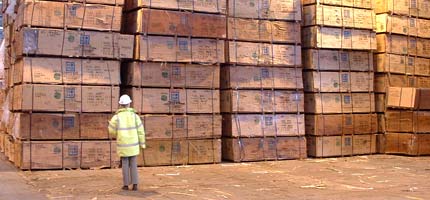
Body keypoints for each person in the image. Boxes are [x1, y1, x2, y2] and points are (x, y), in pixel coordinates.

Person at [108, 94, 145, 191]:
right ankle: (135, 184)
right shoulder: (135, 116)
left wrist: (117, 133)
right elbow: (141, 131)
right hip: (133, 146)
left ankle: (126, 185)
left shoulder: (117, 117)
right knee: (133, 163)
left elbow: (111, 130)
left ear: (120, 105)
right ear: (129, 104)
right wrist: (142, 143)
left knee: (124, 164)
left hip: (123, 145)